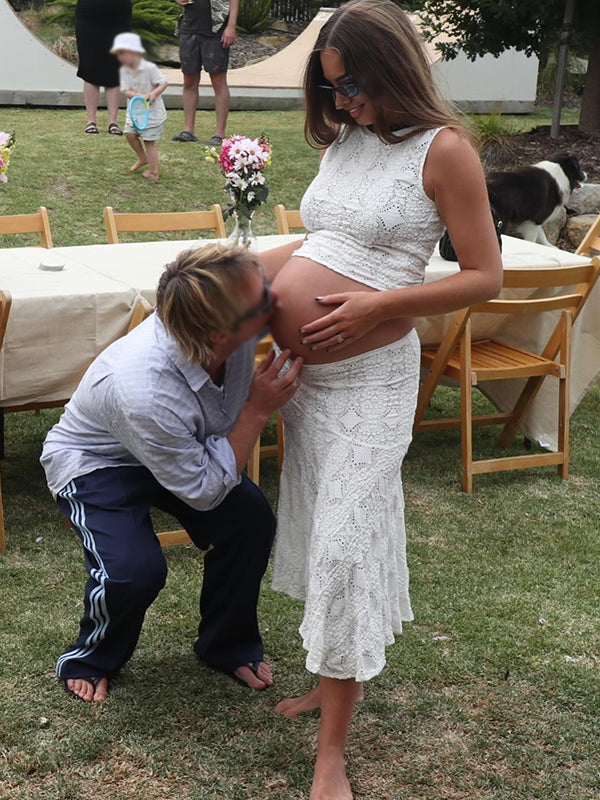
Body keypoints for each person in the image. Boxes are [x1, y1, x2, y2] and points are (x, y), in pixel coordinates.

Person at [258, 2, 504, 798]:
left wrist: (378, 307)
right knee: (321, 527)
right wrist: (253, 274)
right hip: (310, 384)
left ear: (395, 66)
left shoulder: (446, 149)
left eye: (353, 85)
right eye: (333, 89)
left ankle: (331, 754)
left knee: (343, 544)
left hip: (371, 382)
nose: (344, 102)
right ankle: (331, 683)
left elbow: (485, 276)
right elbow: (325, 240)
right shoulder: (349, 138)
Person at [40, 245, 303, 704]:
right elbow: (203, 492)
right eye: (261, 297)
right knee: (133, 573)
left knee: (251, 520)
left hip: (181, 445)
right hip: (98, 461)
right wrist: (256, 410)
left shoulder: (230, 306)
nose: (273, 297)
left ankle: (226, 644)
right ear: (219, 333)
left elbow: (306, 250)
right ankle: (89, 658)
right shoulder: (143, 387)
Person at [172, 0, 239, 145]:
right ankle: (188, 131)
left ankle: (219, 134)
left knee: (218, 81)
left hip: (216, 30)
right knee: (189, 81)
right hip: (189, 28)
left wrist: (231, 26)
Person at [112, 32, 169, 181]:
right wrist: (138, 96)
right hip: (134, 112)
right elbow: (126, 91)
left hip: (152, 114)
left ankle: (154, 172)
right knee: (129, 134)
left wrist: (153, 94)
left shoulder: (150, 68)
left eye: (123, 53)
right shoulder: (124, 70)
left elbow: (163, 83)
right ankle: (143, 158)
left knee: (149, 141)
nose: (120, 57)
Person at [75, 0, 132, 135]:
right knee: (89, 67)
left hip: (119, 17)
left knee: (115, 67)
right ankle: (91, 121)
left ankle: (113, 122)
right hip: (89, 16)